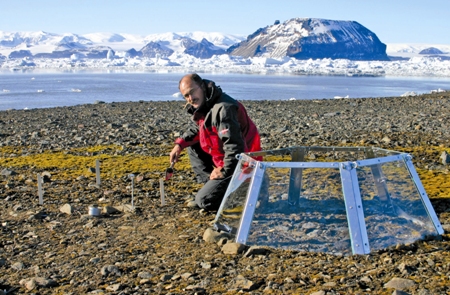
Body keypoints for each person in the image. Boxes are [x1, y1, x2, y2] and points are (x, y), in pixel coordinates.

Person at [169, 73, 261, 211]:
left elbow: (236, 147)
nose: (190, 98)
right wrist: (179, 144)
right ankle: (214, 187)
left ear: (202, 86)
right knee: (191, 145)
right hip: (226, 158)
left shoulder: (224, 108)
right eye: (186, 96)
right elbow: (197, 127)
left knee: (204, 201)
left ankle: (233, 193)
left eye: (192, 92)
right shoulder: (206, 104)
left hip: (245, 163)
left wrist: (224, 171)